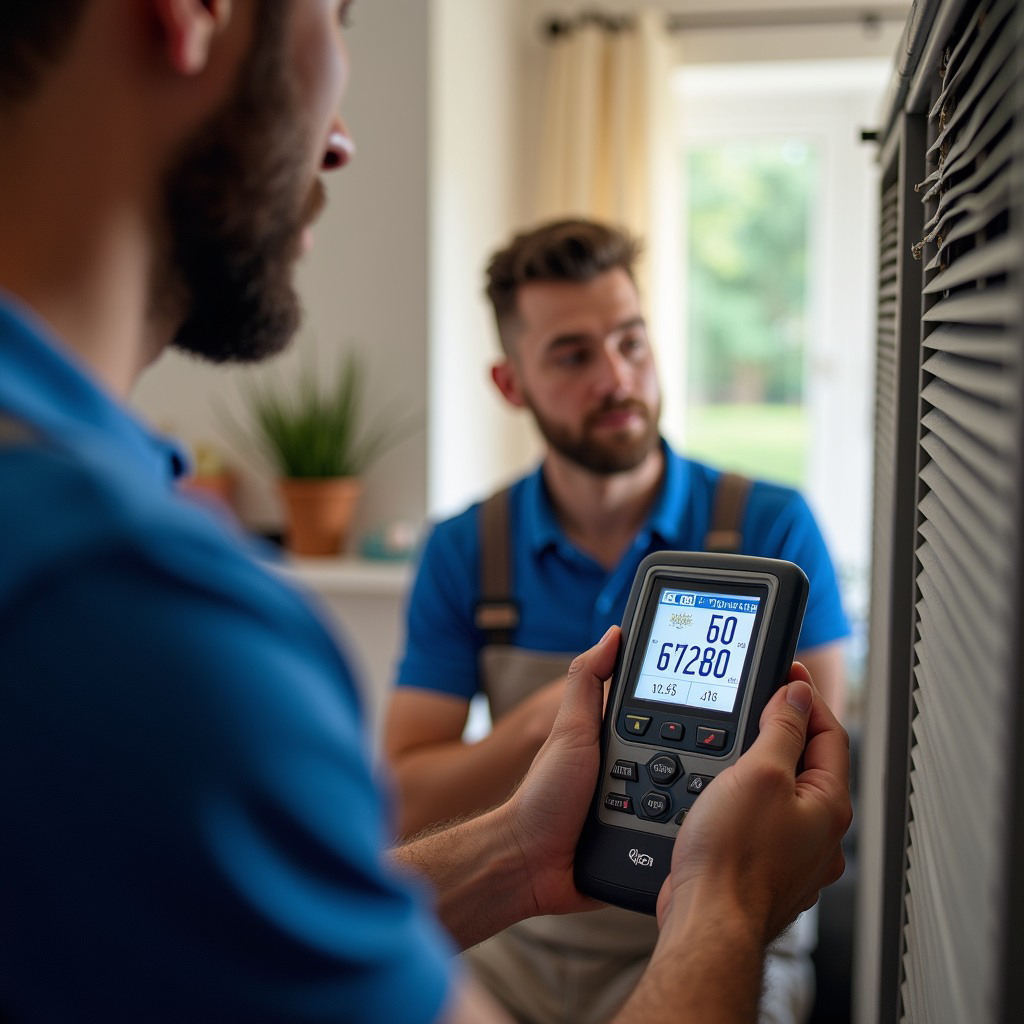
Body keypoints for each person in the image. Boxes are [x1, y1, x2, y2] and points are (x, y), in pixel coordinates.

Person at [0, 3, 851, 1022]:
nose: (344, 137)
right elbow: (395, 795)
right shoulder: (130, 604)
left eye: (629, 339)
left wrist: (517, 853)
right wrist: (725, 899)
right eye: (338, 17)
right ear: (196, 13)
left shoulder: (87, 553)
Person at [384, 218, 852, 1024]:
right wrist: (542, 726)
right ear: (511, 384)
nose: (616, 376)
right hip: (515, 947)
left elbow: (809, 789)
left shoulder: (772, 528)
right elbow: (403, 801)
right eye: (573, 355)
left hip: (714, 933)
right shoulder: (467, 550)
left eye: (631, 342)